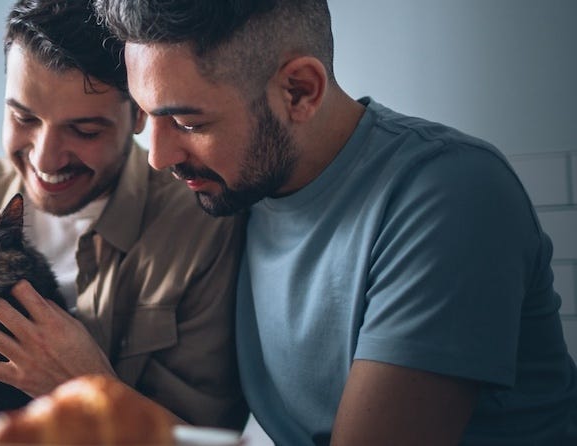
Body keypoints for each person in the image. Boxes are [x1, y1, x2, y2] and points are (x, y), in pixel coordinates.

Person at [95, 0, 577, 444]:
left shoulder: (450, 194)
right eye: (145, 115)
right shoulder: (238, 188)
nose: (157, 156)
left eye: (188, 124)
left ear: (300, 91)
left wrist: (93, 393)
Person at [0, 0, 246, 429]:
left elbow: (206, 438)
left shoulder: (201, 230)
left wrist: (87, 384)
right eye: (22, 117)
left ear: (139, 111)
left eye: (84, 130)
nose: (45, 158)